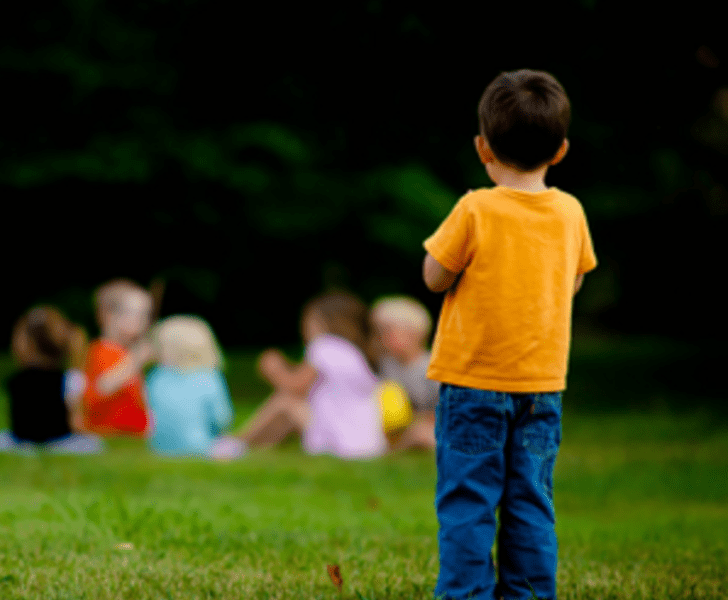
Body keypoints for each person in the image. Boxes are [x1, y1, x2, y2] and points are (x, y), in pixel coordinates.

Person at [423, 69, 597, 600]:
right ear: (561, 150)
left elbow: (434, 276)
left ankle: (466, 594)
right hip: (541, 387)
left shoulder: (475, 207)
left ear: (483, 147)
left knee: (469, 498)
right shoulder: (569, 211)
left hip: (473, 381)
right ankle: (528, 593)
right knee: (530, 498)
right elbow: (576, 278)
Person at [233, 291, 387, 459]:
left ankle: (238, 442)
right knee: (290, 414)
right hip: (368, 442)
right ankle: (251, 449)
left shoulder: (324, 345)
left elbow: (296, 386)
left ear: (322, 322)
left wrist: (273, 370)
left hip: (339, 440)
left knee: (286, 401)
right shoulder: (355, 352)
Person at [0, 306, 104, 454]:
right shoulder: (70, 379)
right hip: (59, 441)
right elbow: (74, 423)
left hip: (22, 440)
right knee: (94, 444)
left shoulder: (15, 381)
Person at [145, 315, 237, 458]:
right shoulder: (208, 377)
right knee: (233, 445)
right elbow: (222, 417)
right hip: (201, 446)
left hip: (160, 447)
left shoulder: (157, 376)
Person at [80, 279, 154, 437]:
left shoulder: (126, 352)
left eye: (145, 314)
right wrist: (136, 360)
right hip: (109, 429)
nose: (142, 321)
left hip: (133, 431)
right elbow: (103, 386)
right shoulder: (100, 351)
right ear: (107, 316)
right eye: (133, 313)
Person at [370, 295, 440, 451]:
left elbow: (444, 410)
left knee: (422, 435)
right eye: (378, 332)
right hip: (389, 426)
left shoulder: (431, 367)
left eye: (388, 332)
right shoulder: (385, 364)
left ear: (414, 333)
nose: (380, 338)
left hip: (423, 424)